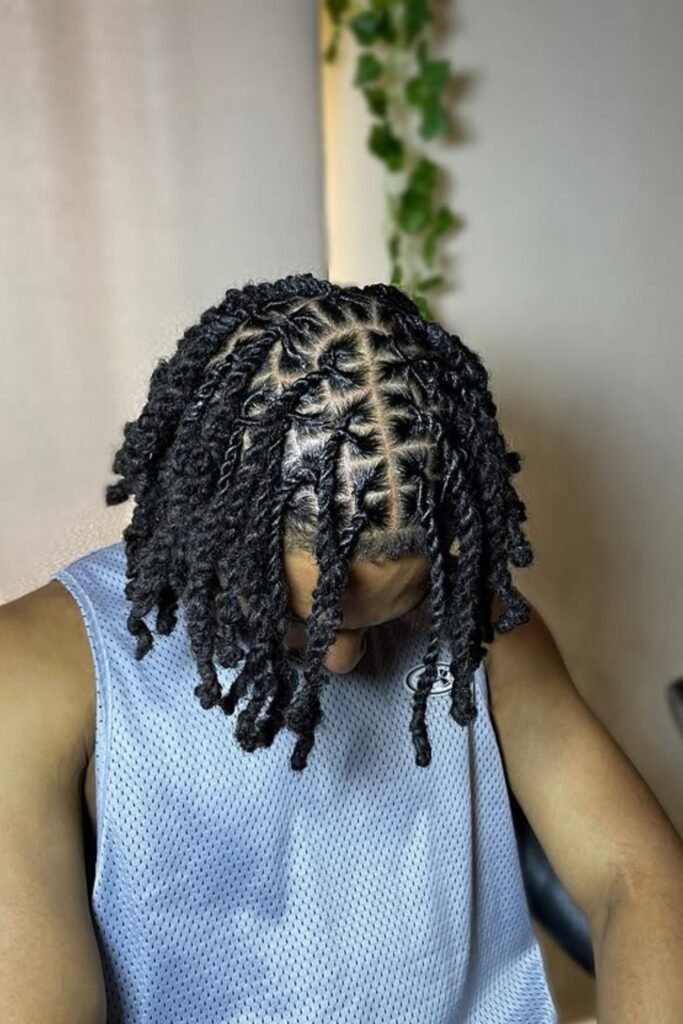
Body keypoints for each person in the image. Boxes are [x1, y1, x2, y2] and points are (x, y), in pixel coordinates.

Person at [2, 272, 683, 1024]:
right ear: (206, 527)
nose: (343, 660)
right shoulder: (35, 675)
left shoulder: (474, 620)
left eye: (396, 611)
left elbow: (634, 878)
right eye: (305, 617)